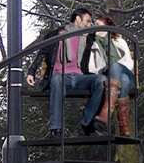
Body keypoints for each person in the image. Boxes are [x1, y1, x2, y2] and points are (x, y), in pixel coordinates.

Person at [26, 8, 104, 138]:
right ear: (78, 19)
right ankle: (56, 129)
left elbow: (104, 40)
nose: (89, 25)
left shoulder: (87, 37)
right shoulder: (57, 34)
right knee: (56, 79)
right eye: (87, 21)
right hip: (61, 78)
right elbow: (42, 53)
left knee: (100, 80)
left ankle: (87, 124)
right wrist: (31, 71)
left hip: (80, 78)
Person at [88, 15, 135, 136]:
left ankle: (106, 112)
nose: (95, 27)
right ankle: (124, 127)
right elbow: (92, 66)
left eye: (98, 24)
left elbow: (129, 62)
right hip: (108, 76)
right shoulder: (93, 44)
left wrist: (116, 67)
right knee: (123, 81)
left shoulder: (119, 41)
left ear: (106, 26)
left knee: (116, 68)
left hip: (125, 71)